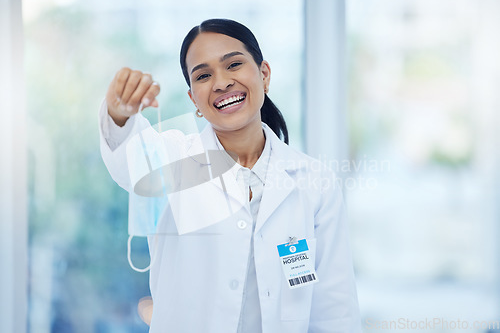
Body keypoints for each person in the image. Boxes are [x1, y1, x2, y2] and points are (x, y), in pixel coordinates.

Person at [99, 18, 361, 333]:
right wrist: (119, 113)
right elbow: (130, 160)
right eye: (204, 75)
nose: (221, 83)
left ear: (264, 75)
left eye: (233, 65)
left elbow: (334, 310)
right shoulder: (176, 161)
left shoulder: (313, 181)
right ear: (194, 99)